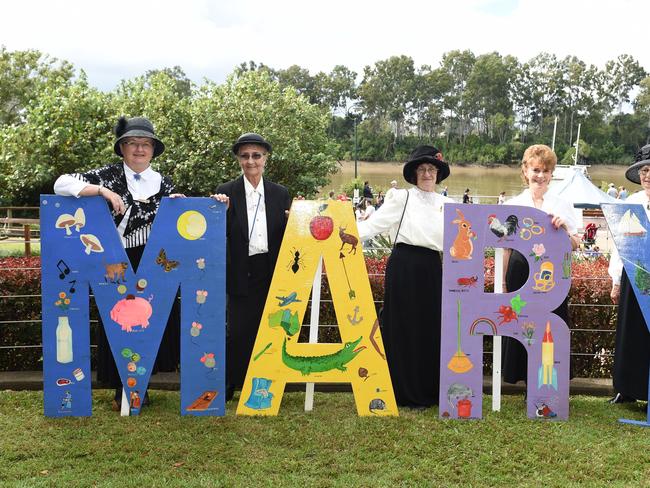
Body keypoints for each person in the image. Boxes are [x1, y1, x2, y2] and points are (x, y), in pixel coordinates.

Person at [53, 116, 184, 411]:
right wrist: (101, 191)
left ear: (153, 149)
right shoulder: (108, 176)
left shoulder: (164, 182)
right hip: (115, 259)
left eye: (145, 144)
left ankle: (142, 384)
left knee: (153, 316)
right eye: (133, 143)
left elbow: (174, 221)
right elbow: (61, 183)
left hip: (153, 259)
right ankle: (118, 387)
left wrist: (178, 203)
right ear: (122, 148)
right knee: (116, 318)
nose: (139, 149)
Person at [358, 145, 452, 408]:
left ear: (438, 173)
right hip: (404, 265)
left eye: (431, 169)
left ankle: (428, 390)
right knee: (402, 327)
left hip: (433, 267)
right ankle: (401, 391)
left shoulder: (448, 204)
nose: (426, 174)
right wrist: (341, 231)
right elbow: (373, 225)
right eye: (421, 169)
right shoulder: (401, 198)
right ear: (414, 173)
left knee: (430, 326)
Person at [211, 133, 291, 401]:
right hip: (240, 270)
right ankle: (232, 382)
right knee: (239, 330)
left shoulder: (281, 194)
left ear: (266, 158)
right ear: (238, 159)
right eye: (245, 156)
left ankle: (269, 382)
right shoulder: (225, 191)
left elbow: (289, 233)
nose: (251, 161)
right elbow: (214, 232)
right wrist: (217, 209)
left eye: (256, 155)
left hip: (270, 269)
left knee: (270, 329)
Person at [501, 144, 580, 386]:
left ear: (552, 173)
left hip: (551, 276)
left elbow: (577, 244)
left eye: (546, 170)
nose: (541, 175)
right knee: (521, 323)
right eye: (536, 169)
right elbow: (504, 247)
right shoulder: (511, 204)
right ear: (525, 170)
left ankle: (548, 383)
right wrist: (503, 282)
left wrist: (564, 229)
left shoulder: (563, 204)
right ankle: (523, 378)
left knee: (551, 324)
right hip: (519, 271)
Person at [608, 145, 650, 404]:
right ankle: (627, 391)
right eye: (645, 171)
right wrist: (615, 280)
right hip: (634, 275)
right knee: (630, 332)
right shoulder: (631, 203)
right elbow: (618, 245)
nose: (648, 175)